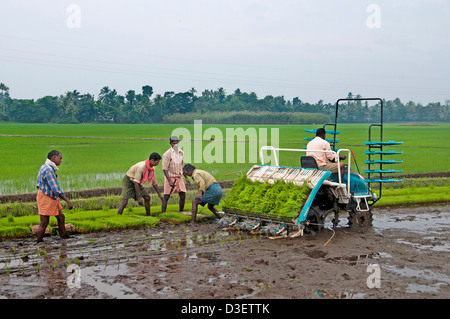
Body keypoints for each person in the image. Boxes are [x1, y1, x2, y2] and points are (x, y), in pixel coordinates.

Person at [35, 150, 73, 243]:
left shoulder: (45, 167)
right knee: (44, 222)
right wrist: (67, 201)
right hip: (46, 197)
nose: (61, 160)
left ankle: (64, 236)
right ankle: (38, 241)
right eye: (60, 158)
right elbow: (55, 188)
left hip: (50, 196)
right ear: (54, 158)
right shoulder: (48, 170)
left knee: (61, 217)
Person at [161, 136, 189, 213]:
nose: (176, 145)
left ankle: (181, 212)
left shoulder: (181, 152)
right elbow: (165, 168)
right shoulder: (167, 154)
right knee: (166, 196)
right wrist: (169, 180)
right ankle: (163, 213)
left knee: (183, 194)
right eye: (174, 143)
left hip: (179, 177)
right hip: (170, 177)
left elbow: (182, 166)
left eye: (177, 143)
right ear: (170, 144)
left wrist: (186, 177)